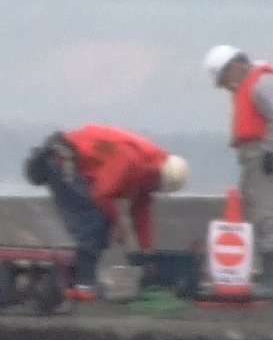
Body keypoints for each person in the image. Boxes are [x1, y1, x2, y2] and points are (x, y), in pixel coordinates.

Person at [23, 125, 190, 291]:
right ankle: (84, 281)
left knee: (101, 219)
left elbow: (141, 214)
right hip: (61, 159)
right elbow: (101, 194)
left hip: (75, 164)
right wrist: (120, 226)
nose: (156, 189)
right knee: (94, 219)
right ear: (159, 176)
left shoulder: (148, 172)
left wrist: (148, 254)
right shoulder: (130, 158)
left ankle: (80, 277)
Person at [203, 45, 273, 296]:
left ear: (235, 68)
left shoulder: (262, 82)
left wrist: (270, 152)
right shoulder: (252, 83)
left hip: (272, 162)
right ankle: (268, 278)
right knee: (260, 217)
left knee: (269, 218)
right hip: (256, 162)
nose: (226, 87)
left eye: (224, 80)